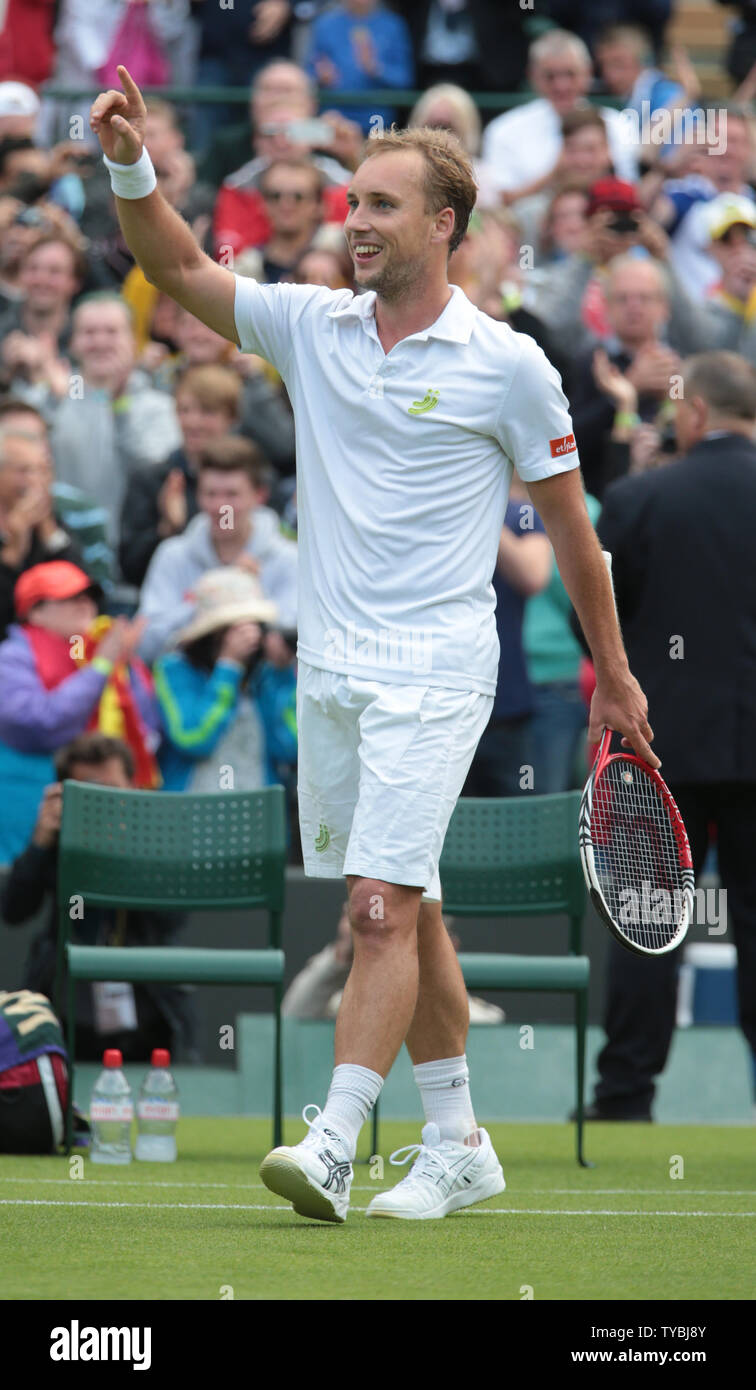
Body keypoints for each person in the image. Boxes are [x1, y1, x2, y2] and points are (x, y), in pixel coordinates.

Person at [90, 67, 657, 1224]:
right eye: (351, 203)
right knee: (417, 906)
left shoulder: (510, 364)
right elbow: (180, 269)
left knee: (378, 910)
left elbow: (577, 542)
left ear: (444, 224)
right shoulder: (310, 326)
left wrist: (615, 671)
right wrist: (129, 164)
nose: (354, 222)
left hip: (441, 669)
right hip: (333, 674)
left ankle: (338, 1136)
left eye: (382, 205)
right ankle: (457, 1140)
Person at [584, 351, 756, 1118]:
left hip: (661, 745)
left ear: (693, 414)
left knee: (650, 918)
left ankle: (624, 1097)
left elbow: (593, 617)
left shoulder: (640, 498)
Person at [0, 732, 198, 1063]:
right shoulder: (57, 844)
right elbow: (14, 910)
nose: (105, 806)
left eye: (112, 793)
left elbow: (171, 919)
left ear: (133, 792)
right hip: (66, 995)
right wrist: (41, 842)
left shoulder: (153, 845)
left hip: (147, 997)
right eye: (92, 795)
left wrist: (128, 846)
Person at [0, 561, 158, 865]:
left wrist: (123, 665)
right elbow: (39, 723)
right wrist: (101, 667)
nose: (85, 603)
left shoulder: (98, 649)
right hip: (26, 805)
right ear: (35, 611)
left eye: (89, 595)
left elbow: (148, 727)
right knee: (23, 896)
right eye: (70, 597)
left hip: (93, 809)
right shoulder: (11, 657)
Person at [137, 435, 297, 663]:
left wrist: (248, 595)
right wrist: (210, 595)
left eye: (232, 495)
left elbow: (296, 643)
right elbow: (144, 646)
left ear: (259, 495)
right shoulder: (172, 554)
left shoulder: (289, 558)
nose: (221, 508)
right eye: (211, 494)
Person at [154, 565, 297, 793]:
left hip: (258, 816)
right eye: (238, 627)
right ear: (214, 632)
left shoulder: (266, 675)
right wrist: (228, 667)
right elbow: (192, 739)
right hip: (191, 813)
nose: (249, 638)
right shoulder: (174, 670)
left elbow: (290, 747)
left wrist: (281, 676)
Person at [481, 29, 639, 204]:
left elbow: (632, 189)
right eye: (550, 76)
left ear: (588, 73)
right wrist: (556, 172)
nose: (561, 85)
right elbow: (499, 204)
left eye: (570, 74)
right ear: (533, 76)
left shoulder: (619, 124)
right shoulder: (504, 130)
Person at [0, 424, 84, 639]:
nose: (37, 482)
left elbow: (83, 596)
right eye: (24, 470)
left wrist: (50, 533)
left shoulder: (50, 524)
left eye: (44, 470)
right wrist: (13, 551)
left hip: (55, 655)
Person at [305, 0, 414, 136]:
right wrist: (321, 77)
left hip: (376, 118)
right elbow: (307, 74)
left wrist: (376, 69)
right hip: (334, 115)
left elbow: (404, 79)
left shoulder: (393, 26)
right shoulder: (324, 25)